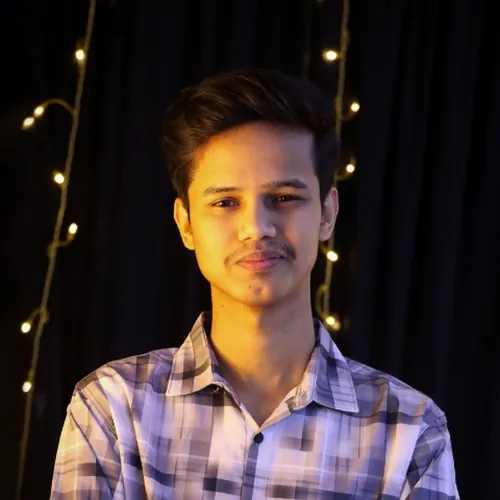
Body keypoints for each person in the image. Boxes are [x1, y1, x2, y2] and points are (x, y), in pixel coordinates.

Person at [50, 68, 459, 499]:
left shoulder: (409, 431)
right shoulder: (113, 409)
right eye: (226, 202)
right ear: (186, 223)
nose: (256, 228)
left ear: (326, 213)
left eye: (284, 198)